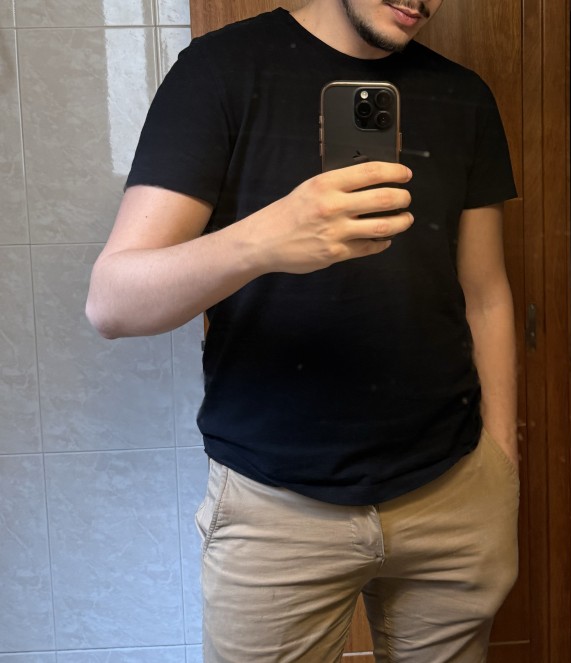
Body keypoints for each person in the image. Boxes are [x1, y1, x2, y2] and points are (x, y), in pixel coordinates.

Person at [86, 0, 520, 660]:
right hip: (275, 507)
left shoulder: (464, 96)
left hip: (454, 491)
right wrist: (264, 240)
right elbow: (112, 303)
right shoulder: (220, 72)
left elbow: (485, 294)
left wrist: (502, 461)